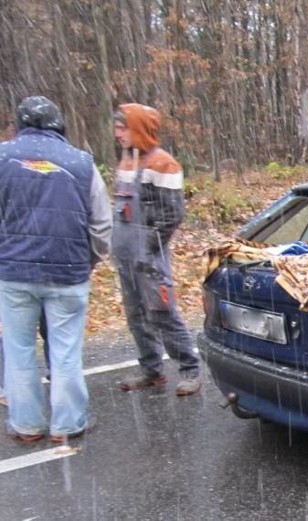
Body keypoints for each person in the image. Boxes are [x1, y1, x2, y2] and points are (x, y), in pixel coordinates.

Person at [0, 95, 112, 442]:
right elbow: (102, 222)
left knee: (18, 351)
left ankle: (27, 426)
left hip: (14, 273)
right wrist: (92, 258)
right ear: (58, 124)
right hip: (68, 272)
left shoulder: (2, 157)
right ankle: (67, 425)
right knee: (65, 352)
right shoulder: (81, 162)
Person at [111, 103, 201, 396]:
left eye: (123, 128)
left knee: (162, 312)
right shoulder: (127, 162)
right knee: (136, 315)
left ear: (138, 128)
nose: (117, 134)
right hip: (125, 257)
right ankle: (151, 369)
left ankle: (190, 369)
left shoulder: (163, 163)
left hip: (149, 257)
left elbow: (172, 214)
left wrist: (148, 249)